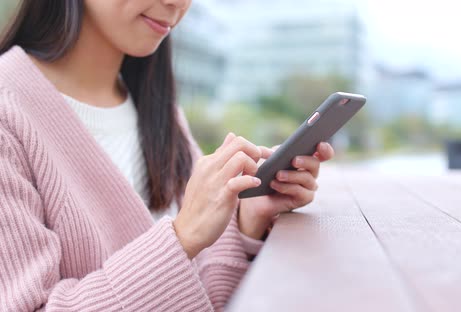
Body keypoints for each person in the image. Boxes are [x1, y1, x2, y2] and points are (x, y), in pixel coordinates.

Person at [0, 0, 334, 311]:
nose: (177, 3)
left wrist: (247, 221)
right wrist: (182, 237)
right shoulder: (8, 113)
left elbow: (198, 292)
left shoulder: (160, 112)